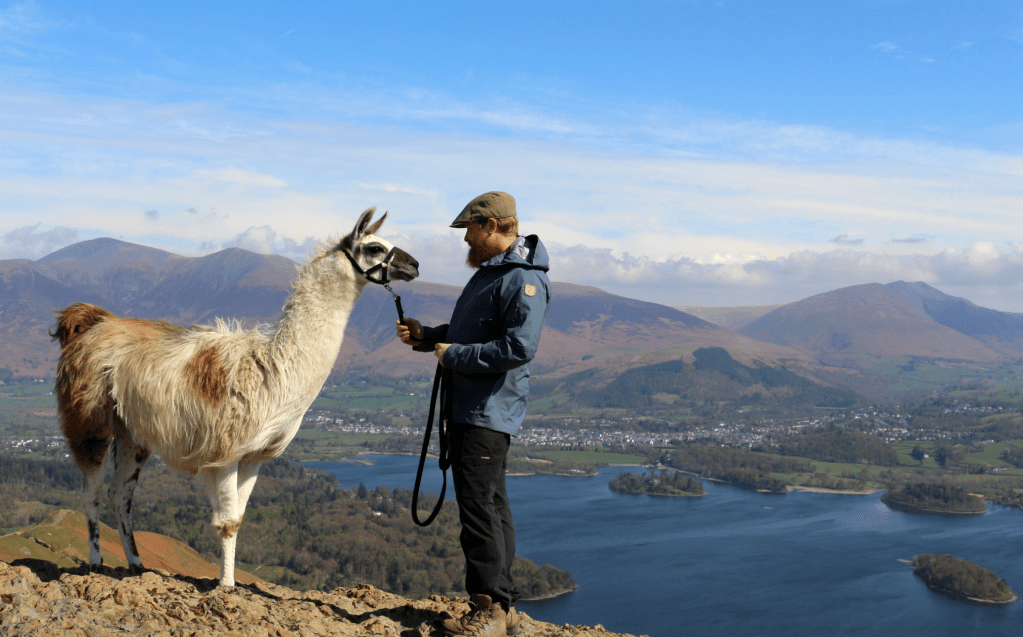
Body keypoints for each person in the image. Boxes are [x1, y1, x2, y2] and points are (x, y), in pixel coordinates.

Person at [396, 191, 551, 637]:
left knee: (478, 511)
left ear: (491, 225)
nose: (465, 239)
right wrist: (428, 337)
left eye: (469, 229)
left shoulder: (523, 280)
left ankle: (490, 612)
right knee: (492, 505)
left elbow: (520, 347)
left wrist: (456, 355)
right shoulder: (491, 275)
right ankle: (503, 606)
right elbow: (469, 334)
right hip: (474, 409)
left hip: (487, 411)